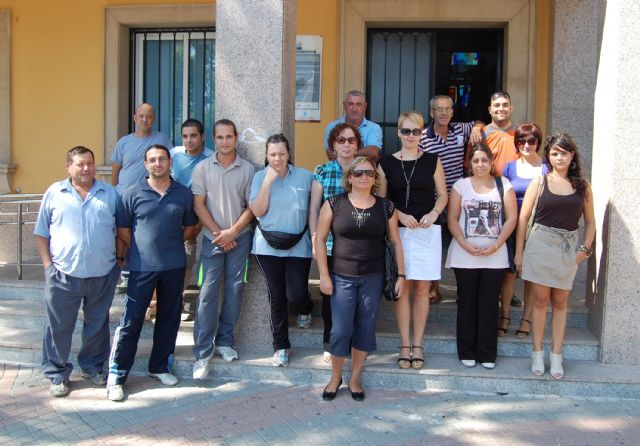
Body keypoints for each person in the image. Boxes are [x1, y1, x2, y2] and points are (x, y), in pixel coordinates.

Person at [107, 144, 197, 401]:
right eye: (152, 160)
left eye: (162, 159)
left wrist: (168, 242)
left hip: (174, 266)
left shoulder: (183, 193)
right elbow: (123, 229)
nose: (157, 163)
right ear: (146, 164)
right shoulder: (132, 193)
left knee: (169, 319)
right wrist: (143, 247)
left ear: (170, 162)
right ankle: (118, 373)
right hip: (141, 267)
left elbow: (190, 227)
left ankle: (159, 366)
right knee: (131, 321)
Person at [316, 156, 405, 401]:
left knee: (365, 328)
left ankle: (354, 378)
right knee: (341, 330)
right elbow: (320, 240)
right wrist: (324, 274)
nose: (364, 177)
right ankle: (336, 377)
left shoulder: (386, 207)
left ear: (375, 178)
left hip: (373, 277)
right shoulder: (334, 203)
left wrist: (401, 275)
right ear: (350, 177)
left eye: (369, 173)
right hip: (341, 277)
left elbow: (396, 242)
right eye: (358, 173)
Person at [34, 146, 120, 397]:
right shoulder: (55, 193)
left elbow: (121, 230)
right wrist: (48, 267)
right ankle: (57, 374)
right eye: (80, 164)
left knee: (97, 326)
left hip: (101, 274)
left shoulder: (109, 194)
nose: (86, 169)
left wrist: (118, 263)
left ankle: (92, 367)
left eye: (90, 164)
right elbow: (41, 233)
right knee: (58, 328)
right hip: (63, 275)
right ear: (68, 167)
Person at [515, 133, 595, 380]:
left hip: (567, 246)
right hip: (540, 244)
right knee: (540, 301)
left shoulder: (583, 185)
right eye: (555, 152)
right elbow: (523, 219)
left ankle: (557, 355)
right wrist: (519, 253)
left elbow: (591, 222)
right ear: (548, 156)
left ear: (573, 156)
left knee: (560, 302)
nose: (560, 157)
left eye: (565, 152)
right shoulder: (539, 182)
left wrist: (585, 249)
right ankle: (537, 352)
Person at [378, 111, 448, 369]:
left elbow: (442, 195)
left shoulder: (433, 161)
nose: (410, 136)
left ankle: (418, 344)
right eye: (406, 131)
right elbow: (382, 202)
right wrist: (400, 216)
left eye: (415, 131)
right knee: (402, 289)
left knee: (422, 289)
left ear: (422, 133)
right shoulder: (386, 163)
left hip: (427, 232)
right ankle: (404, 344)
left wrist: (434, 213)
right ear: (398, 132)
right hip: (400, 233)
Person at [190, 119, 255, 379]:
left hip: (240, 240)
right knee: (207, 294)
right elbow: (198, 205)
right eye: (220, 137)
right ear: (213, 140)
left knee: (235, 290)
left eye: (229, 137)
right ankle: (202, 353)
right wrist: (220, 233)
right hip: (211, 240)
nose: (225, 141)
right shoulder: (203, 168)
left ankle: (225, 341)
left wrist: (233, 232)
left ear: (236, 138)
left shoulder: (248, 169)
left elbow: (252, 207)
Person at [446, 143, 517, 369]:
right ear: (469, 163)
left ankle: (487, 353)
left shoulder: (504, 185)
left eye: (484, 160)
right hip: (464, 255)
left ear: (491, 161)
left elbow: (512, 218)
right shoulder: (461, 185)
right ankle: (466, 350)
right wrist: (464, 243)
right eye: (475, 160)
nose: (480, 165)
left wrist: (497, 245)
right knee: (467, 302)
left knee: (488, 303)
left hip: (494, 255)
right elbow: (452, 218)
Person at [249, 134, 314, 367]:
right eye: (273, 154)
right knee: (276, 296)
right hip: (267, 247)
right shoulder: (258, 177)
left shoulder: (306, 177)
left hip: (299, 244)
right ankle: (281, 347)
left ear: (289, 154)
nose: (277, 158)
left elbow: (316, 207)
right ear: (266, 155)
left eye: (282, 153)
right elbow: (257, 210)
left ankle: (305, 308)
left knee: (296, 292)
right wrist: (267, 182)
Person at [419, 95, 484, 304]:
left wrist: (476, 128)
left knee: (461, 241)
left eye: (447, 109)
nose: (444, 113)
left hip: (459, 198)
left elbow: (481, 123)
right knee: (433, 244)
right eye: (439, 109)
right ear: (432, 113)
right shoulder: (422, 137)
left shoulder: (460, 129)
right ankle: (433, 288)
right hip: (434, 199)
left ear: (452, 112)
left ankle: (462, 289)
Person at [309, 123, 360, 363]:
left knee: (354, 297)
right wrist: (313, 236)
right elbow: (314, 208)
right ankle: (331, 342)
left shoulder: (367, 171)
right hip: (328, 244)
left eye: (351, 140)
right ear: (333, 145)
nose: (346, 144)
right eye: (341, 140)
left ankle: (352, 342)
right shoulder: (322, 171)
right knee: (330, 294)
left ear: (357, 144)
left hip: (358, 247)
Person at [111, 103, 172, 292]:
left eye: (149, 116)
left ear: (154, 119)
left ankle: (136, 268)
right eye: (141, 116)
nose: (145, 119)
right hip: (123, 195)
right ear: (135, 117)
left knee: (141, 234)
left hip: (148, 198)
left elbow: (171, 160)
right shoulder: (124, 142)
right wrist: (115, 192)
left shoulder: (161, 138)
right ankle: (122, 272)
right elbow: (115, 169)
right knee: (121, 233)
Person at [498, 123, 548, 338]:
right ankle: (505, 316)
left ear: (538, 142)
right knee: (508, 275)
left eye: (532, 140)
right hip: (511, 225)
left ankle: (526, 320)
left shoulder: (547, 168)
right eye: (522, 141)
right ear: (516, 143)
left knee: (531, 276)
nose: (526, 145)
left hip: (538, 229)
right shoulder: (509, 168)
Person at [481, 91, 522, 308]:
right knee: (488, 241)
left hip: (513, 198)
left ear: (511, 108)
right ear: (489, 109)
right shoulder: (482, 133)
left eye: (505, 104)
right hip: (488, 195)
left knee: (511, 247)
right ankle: (489, 289)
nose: (501, 109)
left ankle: (508, 292)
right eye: (496, 105)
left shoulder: (520, 134)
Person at [170, 118, 214, 321]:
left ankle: (183, 301)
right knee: (177, 262)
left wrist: (198, 224)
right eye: (185, 136)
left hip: (201, 219)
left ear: (203, 137)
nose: (189, 140)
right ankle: (171, 301)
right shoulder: (173, 155)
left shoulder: (210, 158)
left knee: (192, 261)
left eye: (193, 135)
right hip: (175, 218)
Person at [324, 90, 382, 160]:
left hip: (365, 170)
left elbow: (373, 152)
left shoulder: (374, 128)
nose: (354, 109)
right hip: (339, 170)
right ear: (344, 105)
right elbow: (331, 155)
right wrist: (362, 153)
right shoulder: (331, 127)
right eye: (350, 104)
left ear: (365, 107)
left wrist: (344, 154)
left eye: (358, 104)